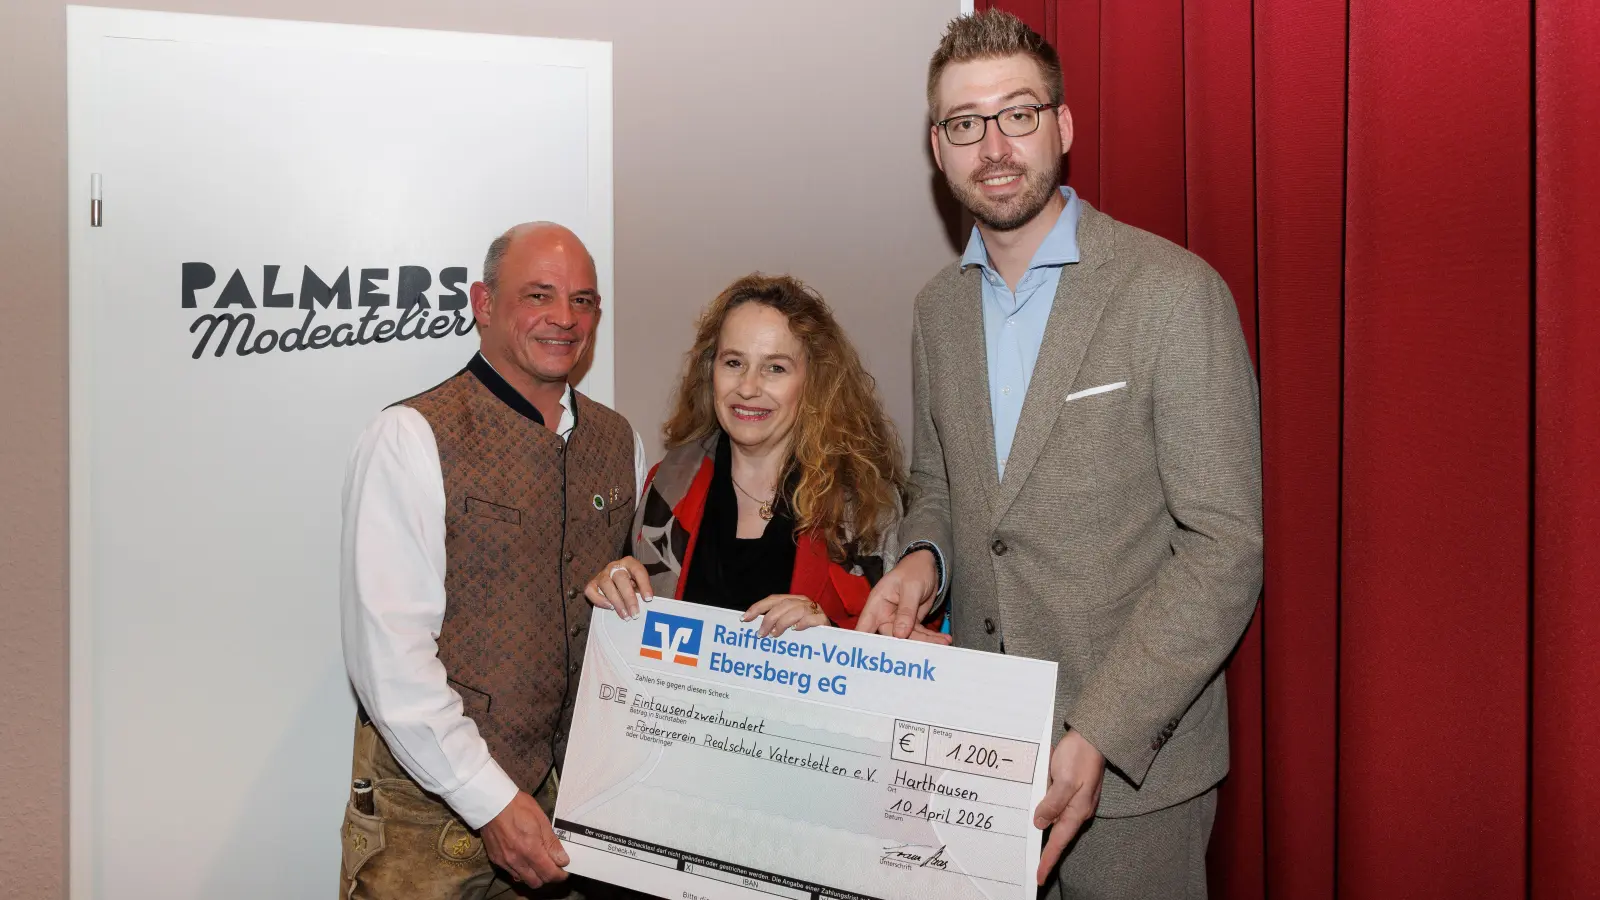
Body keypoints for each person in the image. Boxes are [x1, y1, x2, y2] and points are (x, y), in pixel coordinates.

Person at [857, 11, 1263, 899]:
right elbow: (940, 484)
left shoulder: (1173, 292)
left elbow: (1224, 548)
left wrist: (1103, 729)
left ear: (1063, 126)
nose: (995, 146)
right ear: (938, 147)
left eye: (1018, 113)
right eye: (967, 123)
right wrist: (922, 560)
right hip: (972, 754)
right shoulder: (935, 311)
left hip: (1133, 780)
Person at [339, 222, 647, 899]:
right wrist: (490, 801)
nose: (564, 318)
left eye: (583, 301)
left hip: (573, 820)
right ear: (483, 303)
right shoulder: (409, 437)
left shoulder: (619, 441)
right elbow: (389, 661)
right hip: (425, 828)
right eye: (539, 295)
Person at [585, 274, 945, 644]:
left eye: (775, 367)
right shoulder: (666, 489)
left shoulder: (868, 509)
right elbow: (636, 641)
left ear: (814, 381)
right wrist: (616, 593)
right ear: (710, 371)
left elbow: (904, 651)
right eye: (733, 362)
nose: (747, 387)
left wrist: (831, 637)